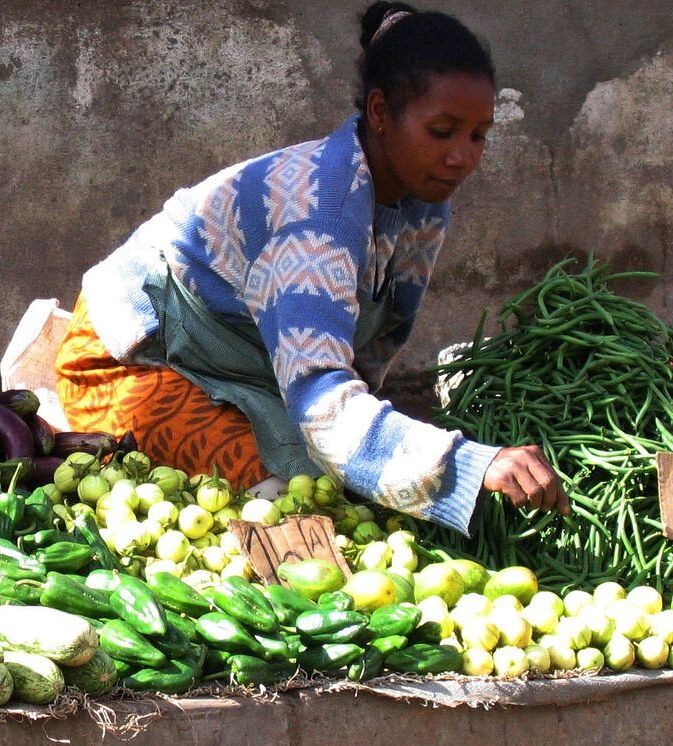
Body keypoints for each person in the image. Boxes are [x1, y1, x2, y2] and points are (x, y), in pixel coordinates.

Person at [55, 1, 569, 536]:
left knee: (351, 485)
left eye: (478, 135)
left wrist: (384, 455)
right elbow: (323, 399)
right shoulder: (314, 219)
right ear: (378, 112)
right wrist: (466, 464)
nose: (462, 156)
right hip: (133, 359)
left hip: (241, 369)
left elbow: (365, 350)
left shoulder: (423, 199)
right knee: (287, 503)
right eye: (442, 131)